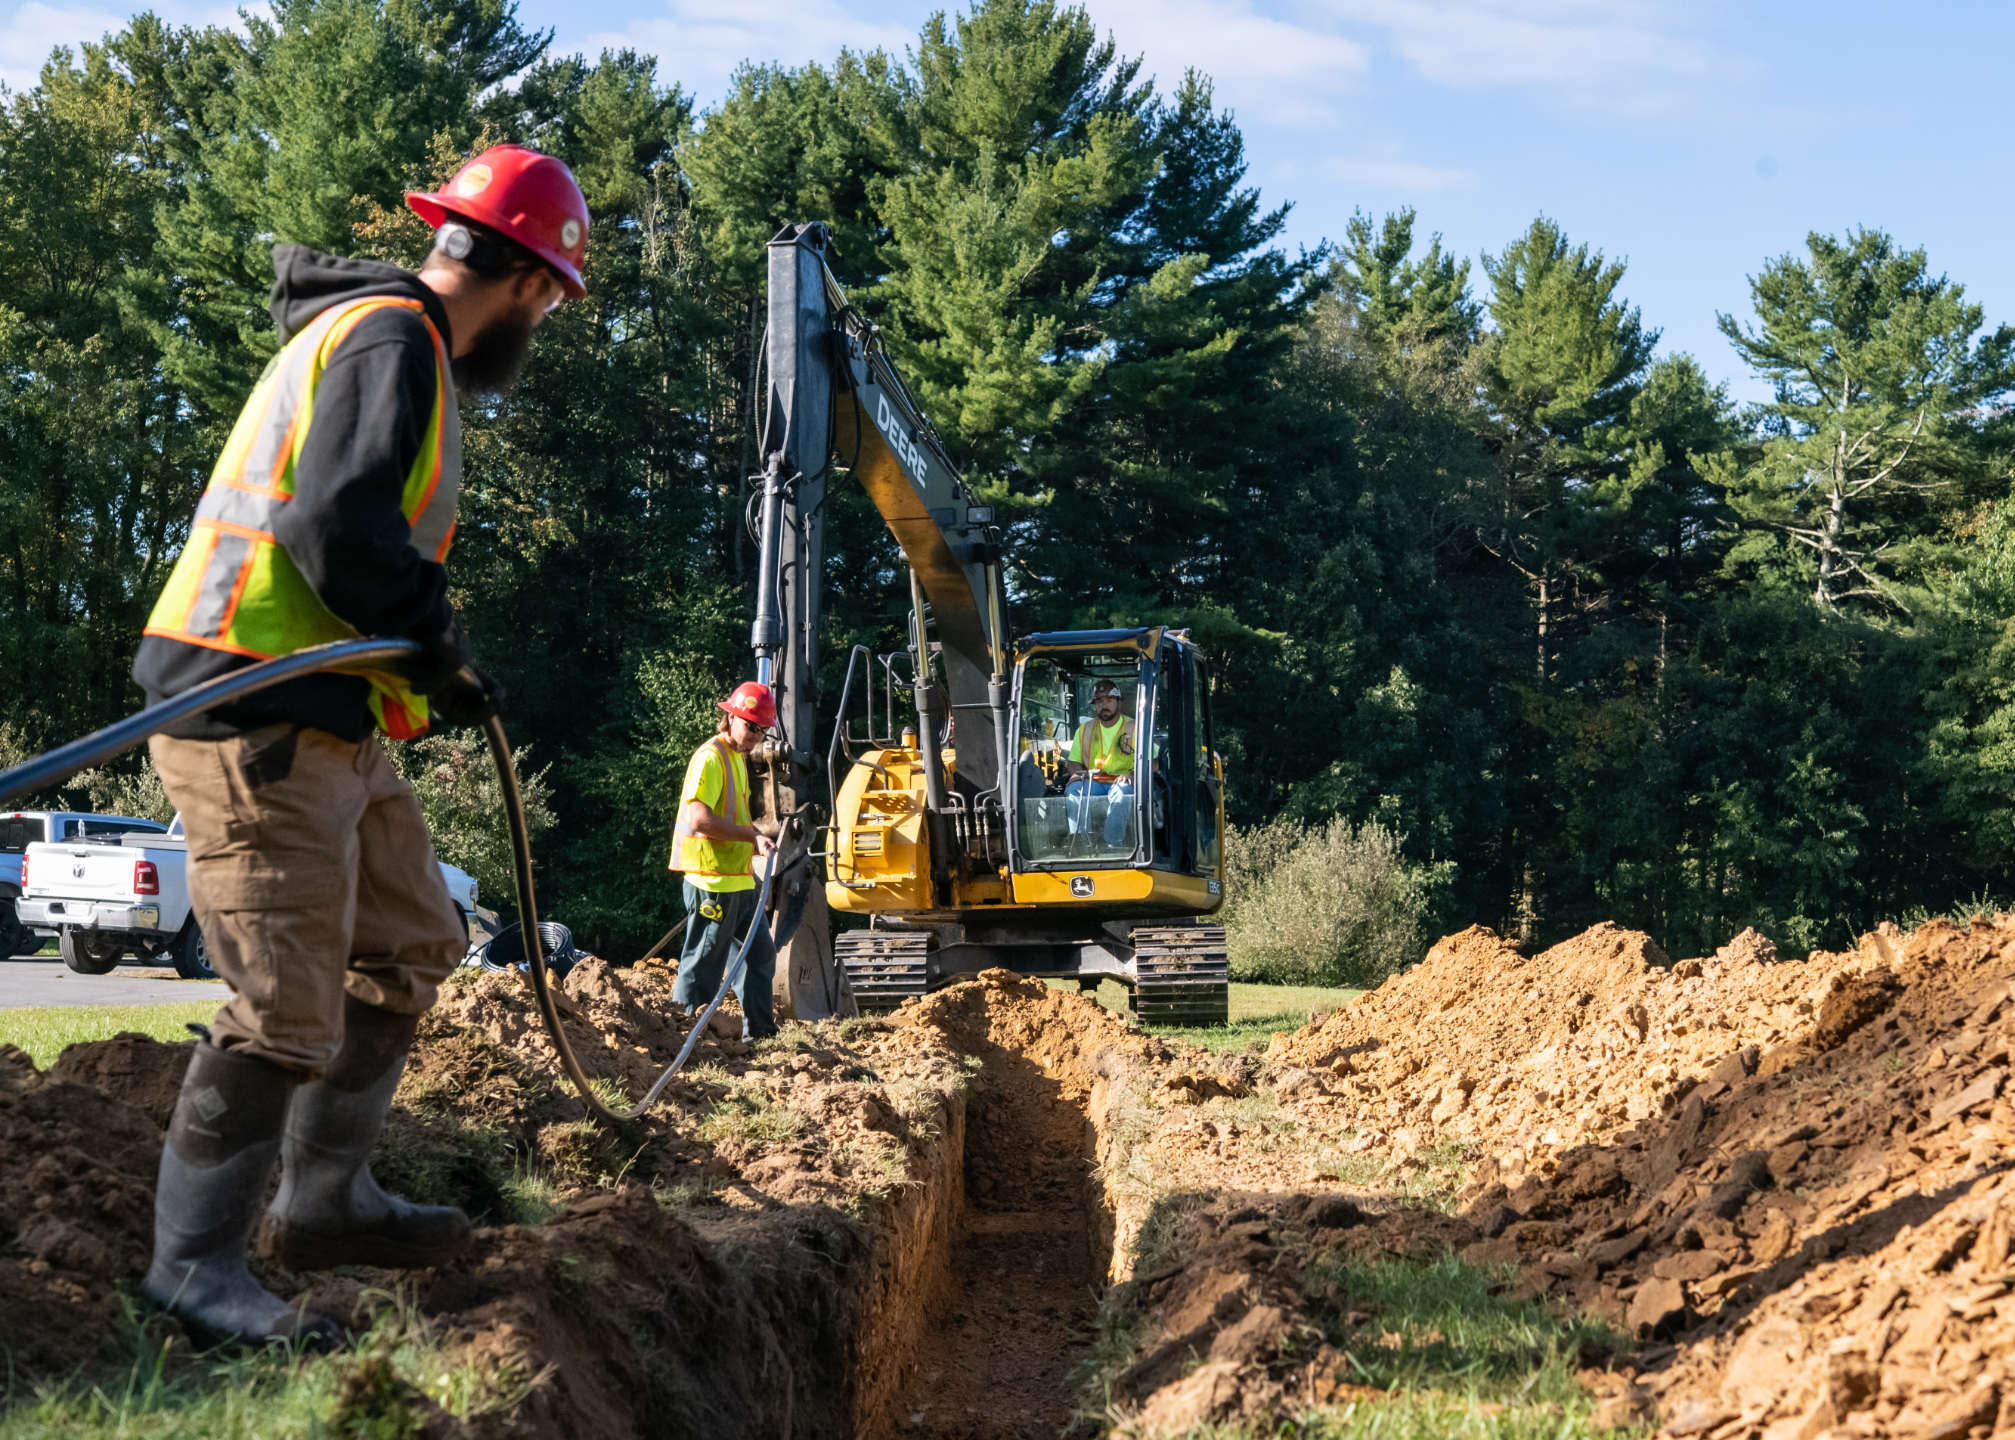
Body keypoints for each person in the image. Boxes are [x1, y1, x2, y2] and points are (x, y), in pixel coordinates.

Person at [128, 145, 591, 1348]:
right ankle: (194, 1270)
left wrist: (432, 656)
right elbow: (334, 527)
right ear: (530, 285)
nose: (539, 322)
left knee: (409, 941)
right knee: (284, 1010)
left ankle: (325, 1198)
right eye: (549, 301)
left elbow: (353, 534)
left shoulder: (389, 341)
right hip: (255, 711)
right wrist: (433, 636)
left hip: (332, 714)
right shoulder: (393, 342)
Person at [669, 681, 781, 1040]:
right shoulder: (710, 758)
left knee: (760, 957)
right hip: (712, 884)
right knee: (703, 967)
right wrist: (751, 836)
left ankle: (760, 1034)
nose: (755, 737)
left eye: (762, 731)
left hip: (740, 881)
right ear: (730, 717)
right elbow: (700, 819)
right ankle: (682, 1036)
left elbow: (735, 815)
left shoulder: (736, 758)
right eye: (750, 726)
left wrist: (757, 837)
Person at [1065, 678, 1136, 848]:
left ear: (1119, 702)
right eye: (1099, 701)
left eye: (1109, 700)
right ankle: (1082, 844)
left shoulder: (1135, 728)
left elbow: (1153, 763)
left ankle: (1112, 844)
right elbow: (1073, 762)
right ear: (1094, 705)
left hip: (1123, 782)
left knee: (1122, 795)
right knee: (1074, 791)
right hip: (1093, 782)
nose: (1104, 705)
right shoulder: (1084, 730)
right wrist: (1076, 774)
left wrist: (1131, 774)